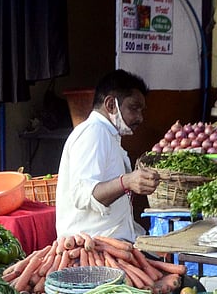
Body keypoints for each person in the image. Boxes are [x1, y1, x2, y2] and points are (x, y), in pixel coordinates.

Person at [54, 69, 159, 241]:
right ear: (111, 105)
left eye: (142, 111)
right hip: (90, 248)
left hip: (113, 243)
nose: (140, 118)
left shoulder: (108, 135)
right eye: (134, 108)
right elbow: (82, 194)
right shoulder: (93, 132)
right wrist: (127, 181)